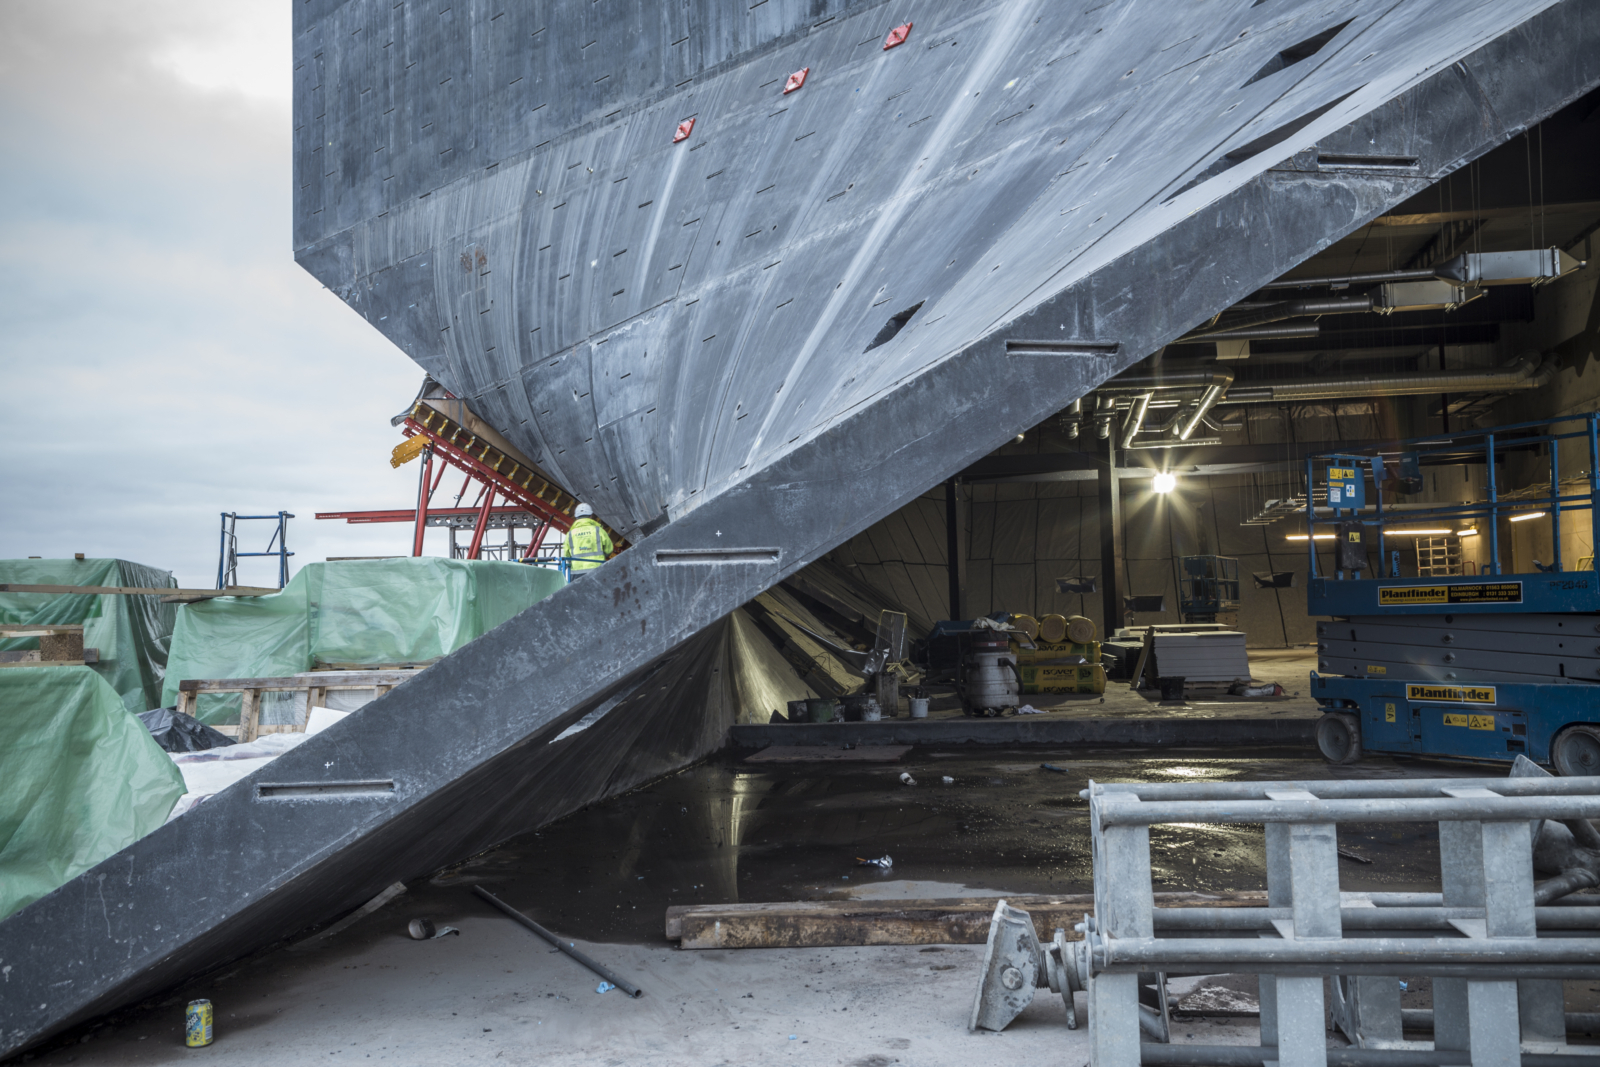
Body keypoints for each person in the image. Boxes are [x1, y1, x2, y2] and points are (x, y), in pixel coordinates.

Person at [562, 503, 613, 579]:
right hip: (598, 570)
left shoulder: (570, 534)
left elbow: (566, 555)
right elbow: (609, 550)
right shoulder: (599, 530)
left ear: (576, 517)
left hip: (577, 573)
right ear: (591, 516)